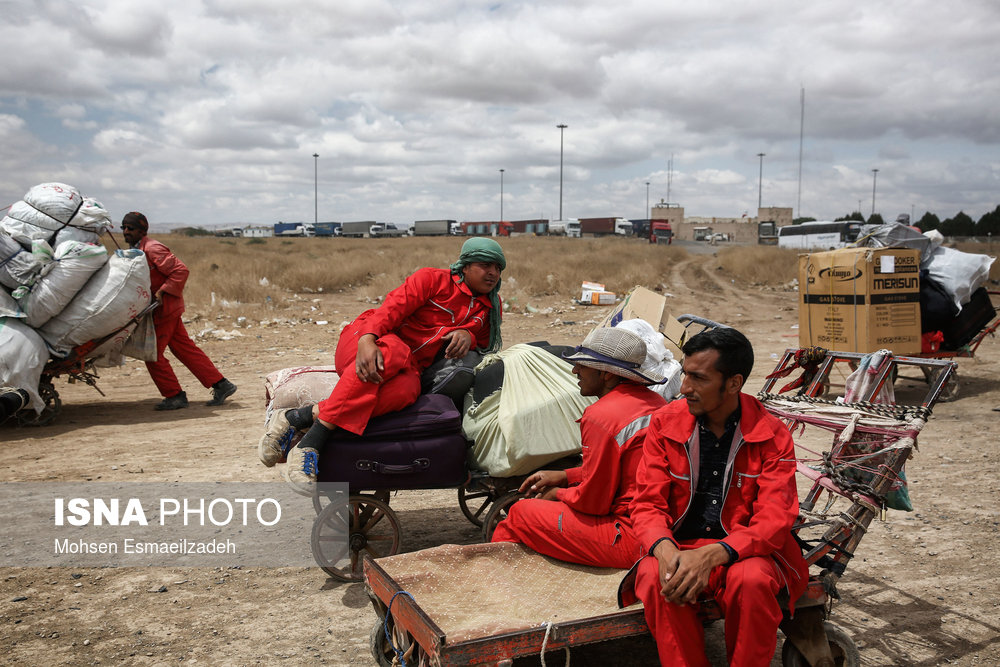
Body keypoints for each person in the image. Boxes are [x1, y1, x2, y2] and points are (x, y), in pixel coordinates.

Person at [620, 326, 808, 667]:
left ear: (733, 383)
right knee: (654, 574)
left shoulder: (771, 435)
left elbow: (774, 520)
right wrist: (665, 549)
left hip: (745, 553)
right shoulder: (664, 424)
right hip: (678, 547)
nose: (685, 389)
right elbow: (647, 504)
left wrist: (715, 555)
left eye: (698, 379)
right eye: (684, 375)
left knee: (750, 581)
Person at [259, 237, 505, 495]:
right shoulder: (432, 280)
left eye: (498, 268)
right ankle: (312, 444)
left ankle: (298, 417)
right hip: (367, 344)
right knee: (396, 350)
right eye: (485, 265)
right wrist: (368, 339)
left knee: (408, 391)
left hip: (406, 366)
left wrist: (469, 335)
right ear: (464, 266)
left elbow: (486, 348)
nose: (492, 273)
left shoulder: (490, 307)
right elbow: (390, 310)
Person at [490, 326, 667, 569]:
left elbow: (594, 503)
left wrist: (557, 494)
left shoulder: (601, 416)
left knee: (521, 513)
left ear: (607, 374)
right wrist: (566, 476)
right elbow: (622, 471)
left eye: (583, 365)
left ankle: (496, 583)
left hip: (633, 534)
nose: (575, 371)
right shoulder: (656, 402)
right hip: (660, 528)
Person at [121, 212, 237, 411]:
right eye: (124, 227)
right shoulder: (137, 249)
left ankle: (174, 395)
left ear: (142, 230)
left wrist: (162, 291)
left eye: (130, 228)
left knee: (153, 354)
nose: (125, 231)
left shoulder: (152, 248)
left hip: (166, 309)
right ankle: (221, 384)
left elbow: (180, 271)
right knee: (184, 349)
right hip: (163, 310)